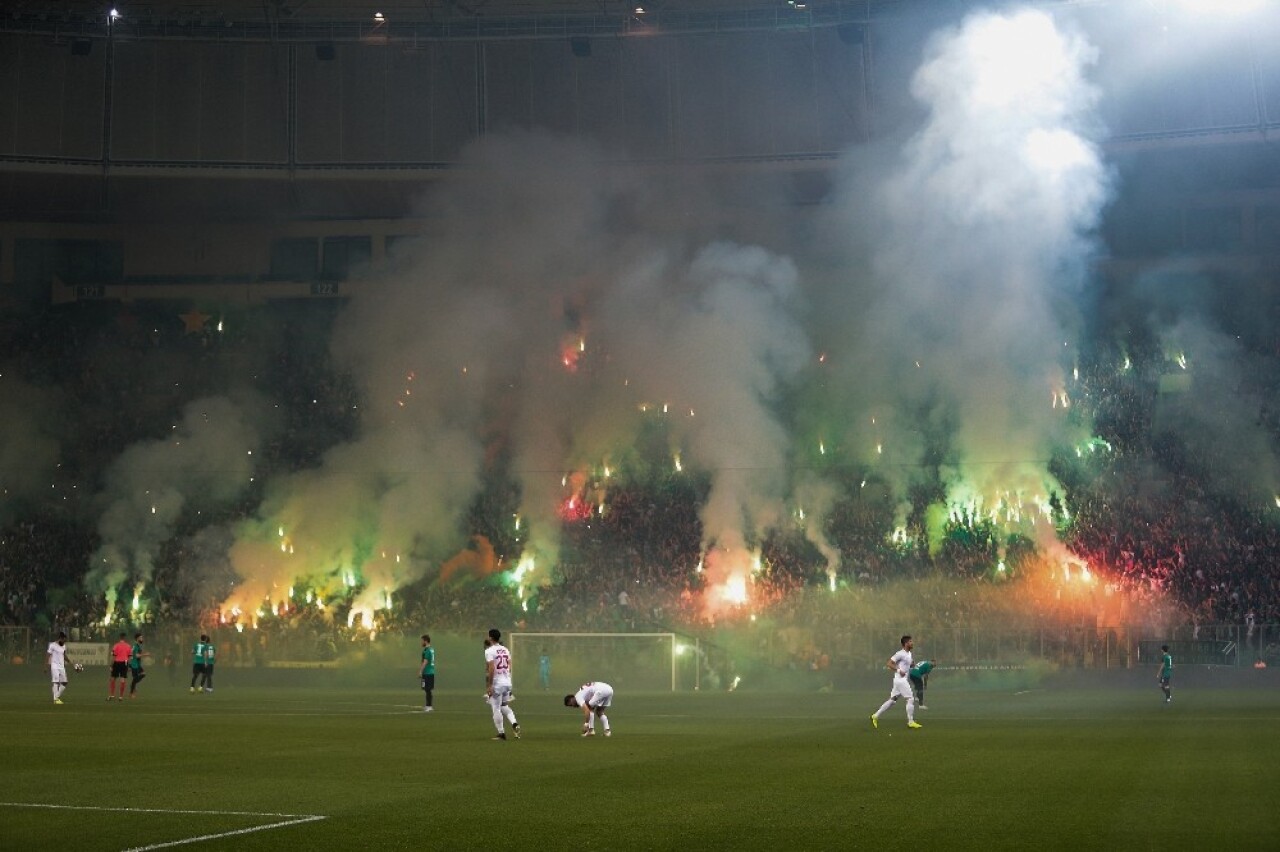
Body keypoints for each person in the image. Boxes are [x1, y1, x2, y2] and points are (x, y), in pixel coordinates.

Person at [871, 635, 922, 730]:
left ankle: (875, 715)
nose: (912, 643)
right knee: (910, 699)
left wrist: (912, 665)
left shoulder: (909, 654)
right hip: (900, 680)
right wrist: (899, 670)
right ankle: (910, 722)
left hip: (899, 680)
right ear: (906, 643)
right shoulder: (900, 653)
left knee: (892, 700)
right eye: (910, 641)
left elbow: (908, 665)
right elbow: (889, 663)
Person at [484, 628, 521, 741]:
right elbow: (509, 666)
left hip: (498, 683)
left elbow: (491, 668)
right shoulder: (505, 649)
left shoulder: (489, 651)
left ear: (490, 637)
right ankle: (514, 723)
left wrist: (490, 685)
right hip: (507, 682)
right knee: (504, 705)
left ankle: (501, 733)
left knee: (495, 708)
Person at [47, 631, 69, 705]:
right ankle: (55, 700)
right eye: (64, 640)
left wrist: (71, 663)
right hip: (54, 666)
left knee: (65, 682)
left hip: (61, 666)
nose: (64, 641)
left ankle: (57, 696)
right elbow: (48, 655)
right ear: (60, 638)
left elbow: (64, 655)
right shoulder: (52, 645)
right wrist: (46, 666)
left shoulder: (63, 645)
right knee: (55, 681)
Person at [109, 632, 131, 701]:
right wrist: (129, 666)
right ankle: (120, 697)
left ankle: (112, 695)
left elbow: (114, 656)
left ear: (120, 638)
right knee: (122, 679)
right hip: (125, 663)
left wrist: (111, 665)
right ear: (125, 638)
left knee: (113, 679)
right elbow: (129, 657)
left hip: (117, 662)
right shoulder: (128, 646)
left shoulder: (116, 645)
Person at [128, 632, 150, 698]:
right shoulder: (135, 646)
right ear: (137, 638)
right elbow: (137, 656)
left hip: (137, 664)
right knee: (136, 678)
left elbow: (133, 654)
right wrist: (145, 655)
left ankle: (133, 686)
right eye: (141, 638)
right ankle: (131, 693)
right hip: (134, 664)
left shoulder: (137, 645)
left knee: (143, 674)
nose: (142, 639)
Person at [419, 634, 436, 712]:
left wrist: (420, 671)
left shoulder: (427, 650)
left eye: (422, 641)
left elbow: (425, 661)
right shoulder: (431, 649)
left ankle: (429, 706)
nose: (421, 642)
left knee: (428, 689)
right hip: (429, 672)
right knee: (426, 689)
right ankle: (427, 705)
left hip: (427, 673)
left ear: (425, 641)